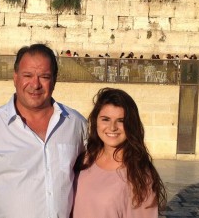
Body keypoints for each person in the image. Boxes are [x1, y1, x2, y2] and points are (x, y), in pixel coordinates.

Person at [0, 44, 87, 218]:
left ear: (54, 80)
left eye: (44, 76)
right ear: (15, 78)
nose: (35, 84)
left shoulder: (75, 124)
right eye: (27, 75)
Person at [72, 88, 167, 218]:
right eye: (105, 119)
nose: (112, 127)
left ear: (131, 125)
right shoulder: (84, 159)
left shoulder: (139, 175)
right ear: (96, 121)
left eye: (121, 121)